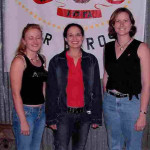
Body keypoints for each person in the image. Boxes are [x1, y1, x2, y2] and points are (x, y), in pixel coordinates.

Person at [46, 23, 102, 150]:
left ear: (82, 38)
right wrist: (51, 118)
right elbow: (51, 92)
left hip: (84, 115)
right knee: (61, 148)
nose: (74, 38)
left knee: (79, 148)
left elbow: (96, 90)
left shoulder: (91, 60)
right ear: (65, 38)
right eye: (70, 35)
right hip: (62, 115)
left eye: (78, 35)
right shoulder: (56, 61)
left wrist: (96, 117)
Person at [103, 7, 150, 150]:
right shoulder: (108, 47)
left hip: (132, 105)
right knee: (114, 145)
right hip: (110, 103)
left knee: (133, 146)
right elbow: (106, 75)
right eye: (118, 21)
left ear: (131, 24)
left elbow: (146, 83)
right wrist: (105, 98)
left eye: (125, 20)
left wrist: (142, 114)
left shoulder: (141, 47)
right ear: (113, 25)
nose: (121, 24)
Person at [10, 24, 47, 150]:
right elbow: (15, 94)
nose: (35, 41)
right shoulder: (19, 61)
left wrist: (46, 108)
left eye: (38, 37)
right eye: (30, 38)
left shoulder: (42, 59)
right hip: (26, 113)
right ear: (24, 41)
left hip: (41, 112)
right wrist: (23, 121)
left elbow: (43, 87)